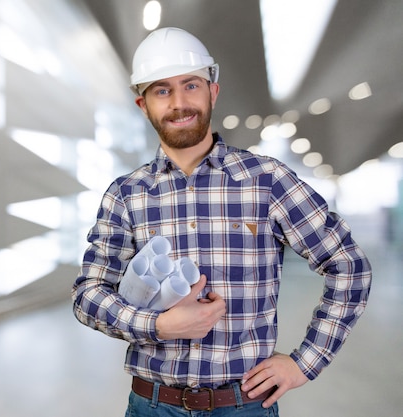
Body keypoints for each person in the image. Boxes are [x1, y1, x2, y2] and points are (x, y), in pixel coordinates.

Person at [71, 27, 372, 416]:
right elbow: (88, 297)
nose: (180, 102)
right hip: (153, 406)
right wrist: (160, 325)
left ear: (212, 92)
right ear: (143, 105)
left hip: (244, 406)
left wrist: (305, 362)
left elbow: (349, 264)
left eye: (191, 85)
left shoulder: (267, 181)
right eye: (162, 90)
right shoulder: (126, 195)